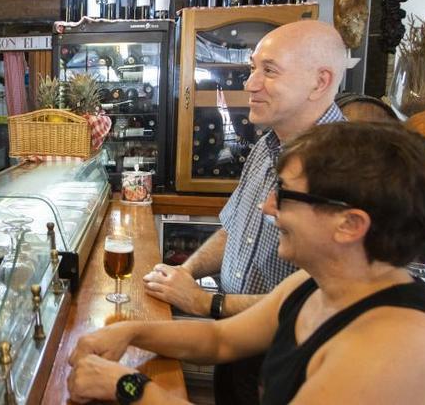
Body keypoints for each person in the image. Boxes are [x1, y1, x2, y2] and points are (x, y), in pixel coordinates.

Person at [68, 122, 425, 404]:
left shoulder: (394, 345)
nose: (266, 207)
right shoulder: (313, 285)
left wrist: (127, 385)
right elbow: (220, 339)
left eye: (285, 195)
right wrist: (130, 331)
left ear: (349, 224)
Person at [142, 20, 347, 404]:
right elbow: (234, 229)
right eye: (253, 68)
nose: (250, 83)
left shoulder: (349, 168)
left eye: (268, 71)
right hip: (236, 338)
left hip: (290, 353)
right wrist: (183, 276)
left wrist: (206, 303)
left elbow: (323, 296)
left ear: (320, 82)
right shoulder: (267, 145)